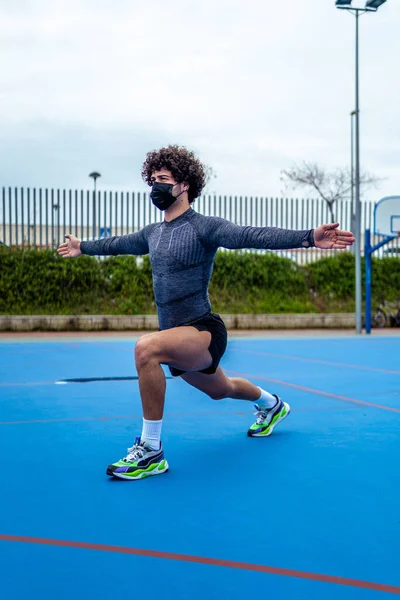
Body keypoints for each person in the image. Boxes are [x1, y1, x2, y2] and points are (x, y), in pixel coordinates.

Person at [57, 145, 355, 480]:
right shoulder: (152, 234)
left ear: (184, 185)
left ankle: (151, 451)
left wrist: (308, 238)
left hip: (202, 331)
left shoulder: (204, 227)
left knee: (146, 348)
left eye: (163, 179)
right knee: (222, 389)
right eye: (152, 179)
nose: (156, 186)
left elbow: (249, 235)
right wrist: (83, 246)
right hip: (177, 341)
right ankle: (272, 405)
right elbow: (116, 244)